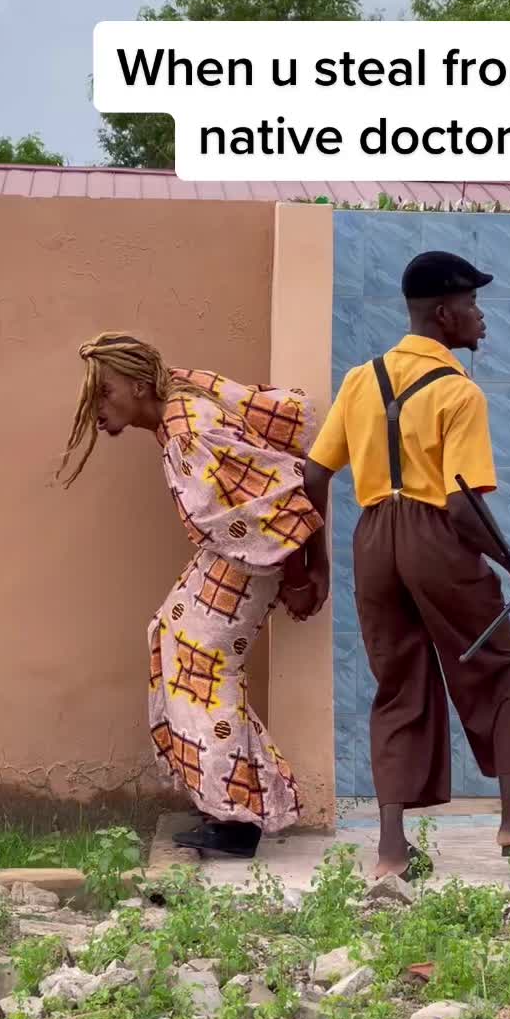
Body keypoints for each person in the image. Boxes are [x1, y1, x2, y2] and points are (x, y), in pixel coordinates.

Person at [304, 251, 510, 881]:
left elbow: (314, 474)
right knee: (496, 666)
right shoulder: (458, 392)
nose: (481, 316)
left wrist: (316, 564)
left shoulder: (360, 380)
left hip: (373, 541)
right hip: (435, 538)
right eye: (473, 304)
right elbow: (463, 507)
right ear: (444, 314)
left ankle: (392, 852)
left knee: (399, 683)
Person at [60, 333, 328, 856]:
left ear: (139, 386)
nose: (97, 409)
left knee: (200, 667)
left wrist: (303, 576)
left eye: (104, 393)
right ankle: (234, 802)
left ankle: (234, 817)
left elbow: (278, 498)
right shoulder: (181, 396)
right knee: (170, 635)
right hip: (237, 553)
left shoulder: (189, 433)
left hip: (252, 558)